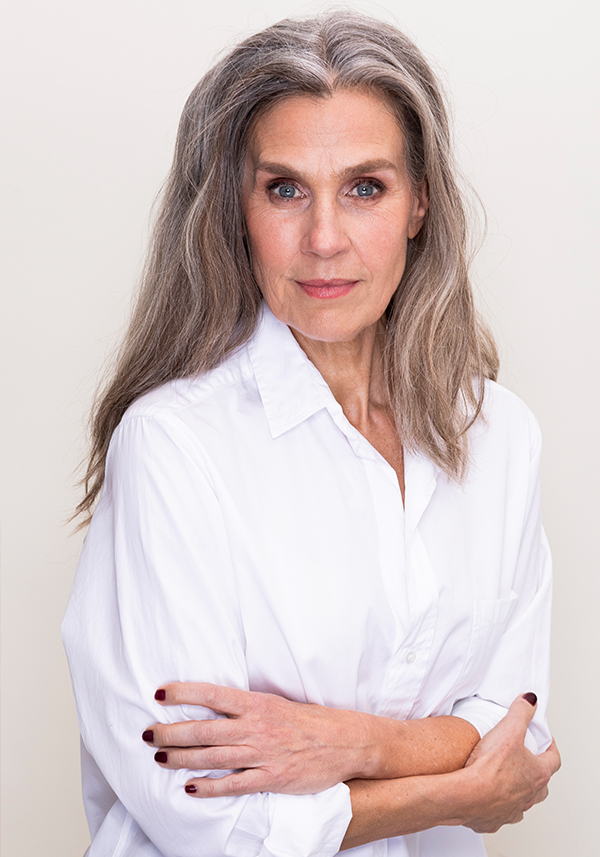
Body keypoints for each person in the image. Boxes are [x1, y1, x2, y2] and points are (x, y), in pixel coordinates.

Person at [62, 10, 560, 857]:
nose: (324, 240)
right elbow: (205, 814)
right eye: (285, 189)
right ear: (237, 207)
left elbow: (516, 726)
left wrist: (350, 742)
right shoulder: (174, 445)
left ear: (420, 202)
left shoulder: (500, 435)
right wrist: (451, 782)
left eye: (366, 187)